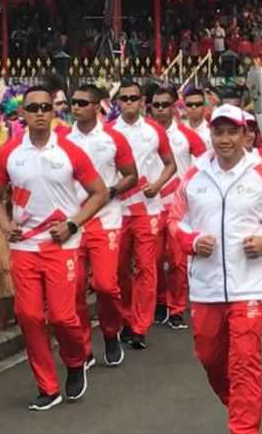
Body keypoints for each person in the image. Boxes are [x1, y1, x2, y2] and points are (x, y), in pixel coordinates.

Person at [168, 104, 262, 434]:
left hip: (250, 286)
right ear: (210, 134)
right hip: (206, 284)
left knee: (244, 363)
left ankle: (243, 426)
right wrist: (191, 240)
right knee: (209, 357)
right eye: (219, 132)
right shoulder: (194, 175)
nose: (225, 139)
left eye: (232, 132)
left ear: (246, 135)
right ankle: (241, 407)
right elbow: (173, 220)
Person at [0, 85, 108, 410]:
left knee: (63, 317)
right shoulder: (9, 153)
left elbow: (99, 193)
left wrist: (72, 224)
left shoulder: (70, 151)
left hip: (62, 246)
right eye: (33, 108)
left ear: (55, 113)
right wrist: (3, 223)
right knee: (28, 316)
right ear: (23, 114)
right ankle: (48, 387)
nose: (40, 112)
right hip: (25, 247)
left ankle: (74, 359)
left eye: (46, 107)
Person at [61, 84, 138, 367]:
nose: (76, 107)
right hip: (72, 221)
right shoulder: (61, 139)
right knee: (76, 287)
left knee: (106, 285)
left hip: (106, 218)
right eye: (74, 102)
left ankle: (110, 332)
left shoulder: (113, 138)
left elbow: (131, 175)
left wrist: (111, 192)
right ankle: (83, 347)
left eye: (83, 102)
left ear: (97, 106)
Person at [111, 81, 176, 349]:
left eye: (133, 98)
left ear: (142, 101)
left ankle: (140, 326)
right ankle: (126, 318)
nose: (129, 102)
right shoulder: (108, 132)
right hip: (117, 209)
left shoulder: (154, 130)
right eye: (124, 98)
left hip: (147, 209)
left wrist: (158, 185)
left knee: (147, 267)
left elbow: (170, 164)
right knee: (119, 270)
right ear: (118, 102)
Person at [149, 86, 207, 329]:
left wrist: (192, 191)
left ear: (174, 107)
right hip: (150, 205)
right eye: (156, 105)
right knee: (152, 259)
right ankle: (160, 303)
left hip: (178, 207)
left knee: (176, 261)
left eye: (165, 104)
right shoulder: (144, 134)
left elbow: (205, 165)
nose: (160, 109)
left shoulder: (186, 135)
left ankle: (176, 308)